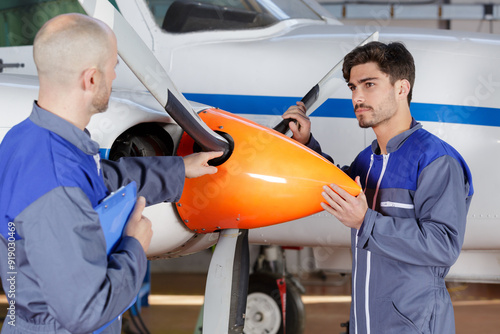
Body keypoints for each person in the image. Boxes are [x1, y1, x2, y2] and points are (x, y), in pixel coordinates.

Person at [0, 13, 222, 333]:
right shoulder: (55, 186)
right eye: (113, 66)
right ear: (91, 79)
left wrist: (180, 168)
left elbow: (101, 179)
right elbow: (86, 312)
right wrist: (135, 246)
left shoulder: (30, 139)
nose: (115, 77)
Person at [283, 41, 473, 333]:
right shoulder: (366, 160)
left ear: (401, 88)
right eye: (352, 87)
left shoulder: (437, 160)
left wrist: (365, 221)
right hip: (365, 324)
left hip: (414, 326)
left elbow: (443, 245)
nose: (357, 96)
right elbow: (333, 185)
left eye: (368, 84)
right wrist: (306, 144)